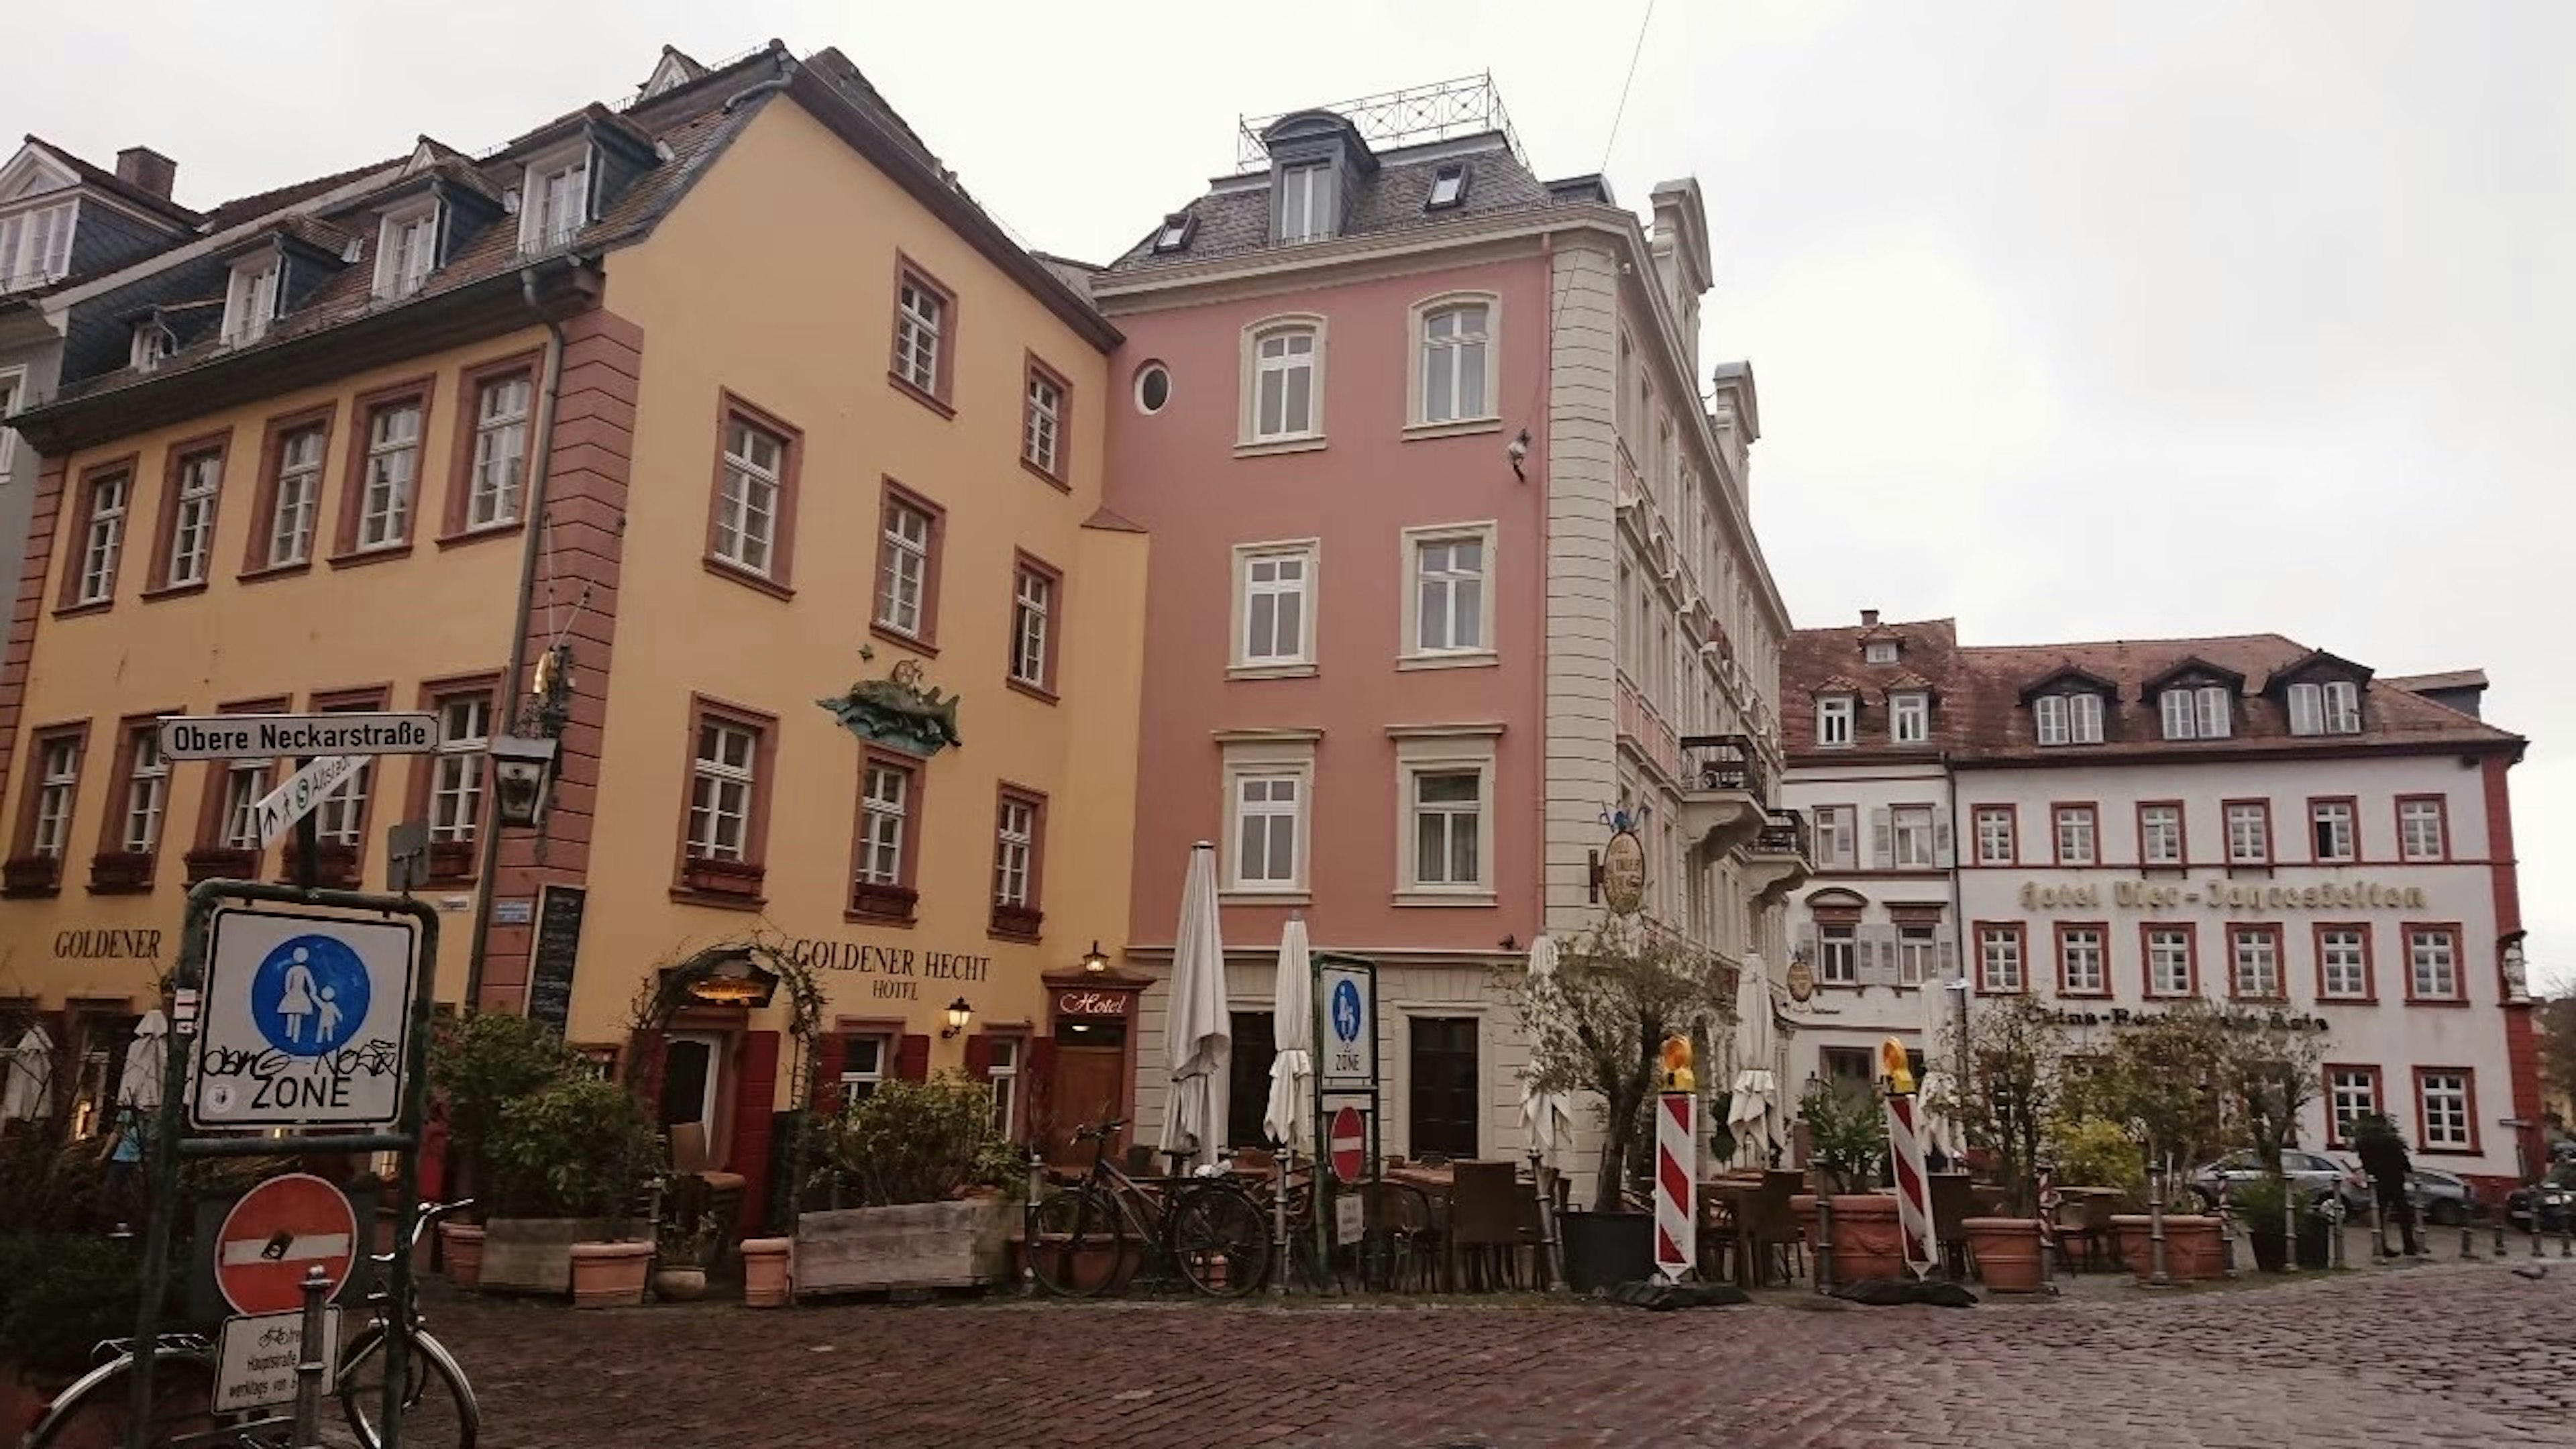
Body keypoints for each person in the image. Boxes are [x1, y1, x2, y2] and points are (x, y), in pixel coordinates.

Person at [2352, 1113, 2422, 1257]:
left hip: (2378, 1181)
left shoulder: (2364, 1142)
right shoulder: (2392, 1141)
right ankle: (2409, 1246)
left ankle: (2380, 1246)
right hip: (2395, 1180)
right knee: (2404, 1214)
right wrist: (2407, 1168)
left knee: (2380, 1215)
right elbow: (2403, 1161)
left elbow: (2365, 1162)